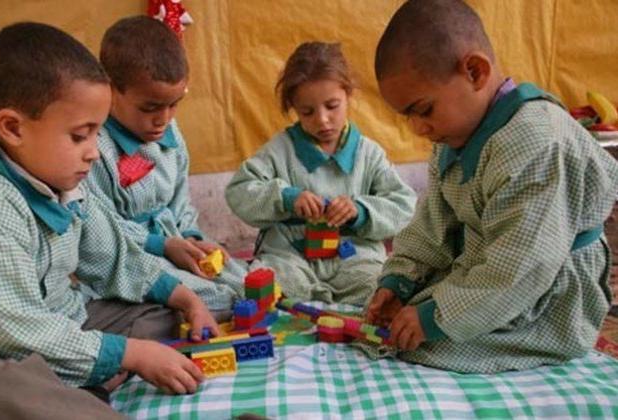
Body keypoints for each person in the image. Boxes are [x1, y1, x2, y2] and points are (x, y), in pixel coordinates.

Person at [0, 22, 219, 420]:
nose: (94, 153)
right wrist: (131, 354)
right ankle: (80, 394)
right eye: (80, 136)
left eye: (96, 135)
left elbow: (115, 257)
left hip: (58, 317)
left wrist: (187, 299)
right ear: (13, 128)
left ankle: (79, 383)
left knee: (164, 316)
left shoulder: (66, 185)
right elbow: (17, 332)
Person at [365, 0, 618, 373]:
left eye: (424, 110)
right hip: (492, 270)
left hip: (545, 290)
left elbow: (523, 267)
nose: (418, 128)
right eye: (408, 117)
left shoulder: (537, 142)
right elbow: (431, 224)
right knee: (401, 318)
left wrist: (435, 317)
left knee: (422, 343)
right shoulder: (452, 138)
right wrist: (400, 279)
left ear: (475, 71)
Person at [225, 41, 416, 305]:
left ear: (348, 95)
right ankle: (304, 304)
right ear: (294, 108)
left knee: (380, 290)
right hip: (290, 255)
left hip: (354, 255)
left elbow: (403, 205)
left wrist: (361, 211)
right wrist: (286, 198)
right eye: (307, 112)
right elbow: (239, 191)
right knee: (266, 287)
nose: (322, 119)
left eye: (332, 106)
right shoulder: (280, 150)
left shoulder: (368, 154)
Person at [86, 15, 246, 311]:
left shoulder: (169, 132)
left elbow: (180, 202)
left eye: (174, 105)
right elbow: (98, 229)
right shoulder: (94, 149)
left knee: (243, 279)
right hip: (132, 256)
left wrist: (191, 238)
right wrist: (162, 246)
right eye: (150, 107)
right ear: (109, 88)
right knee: (215, 298)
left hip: (175, 243)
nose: (163, 119)